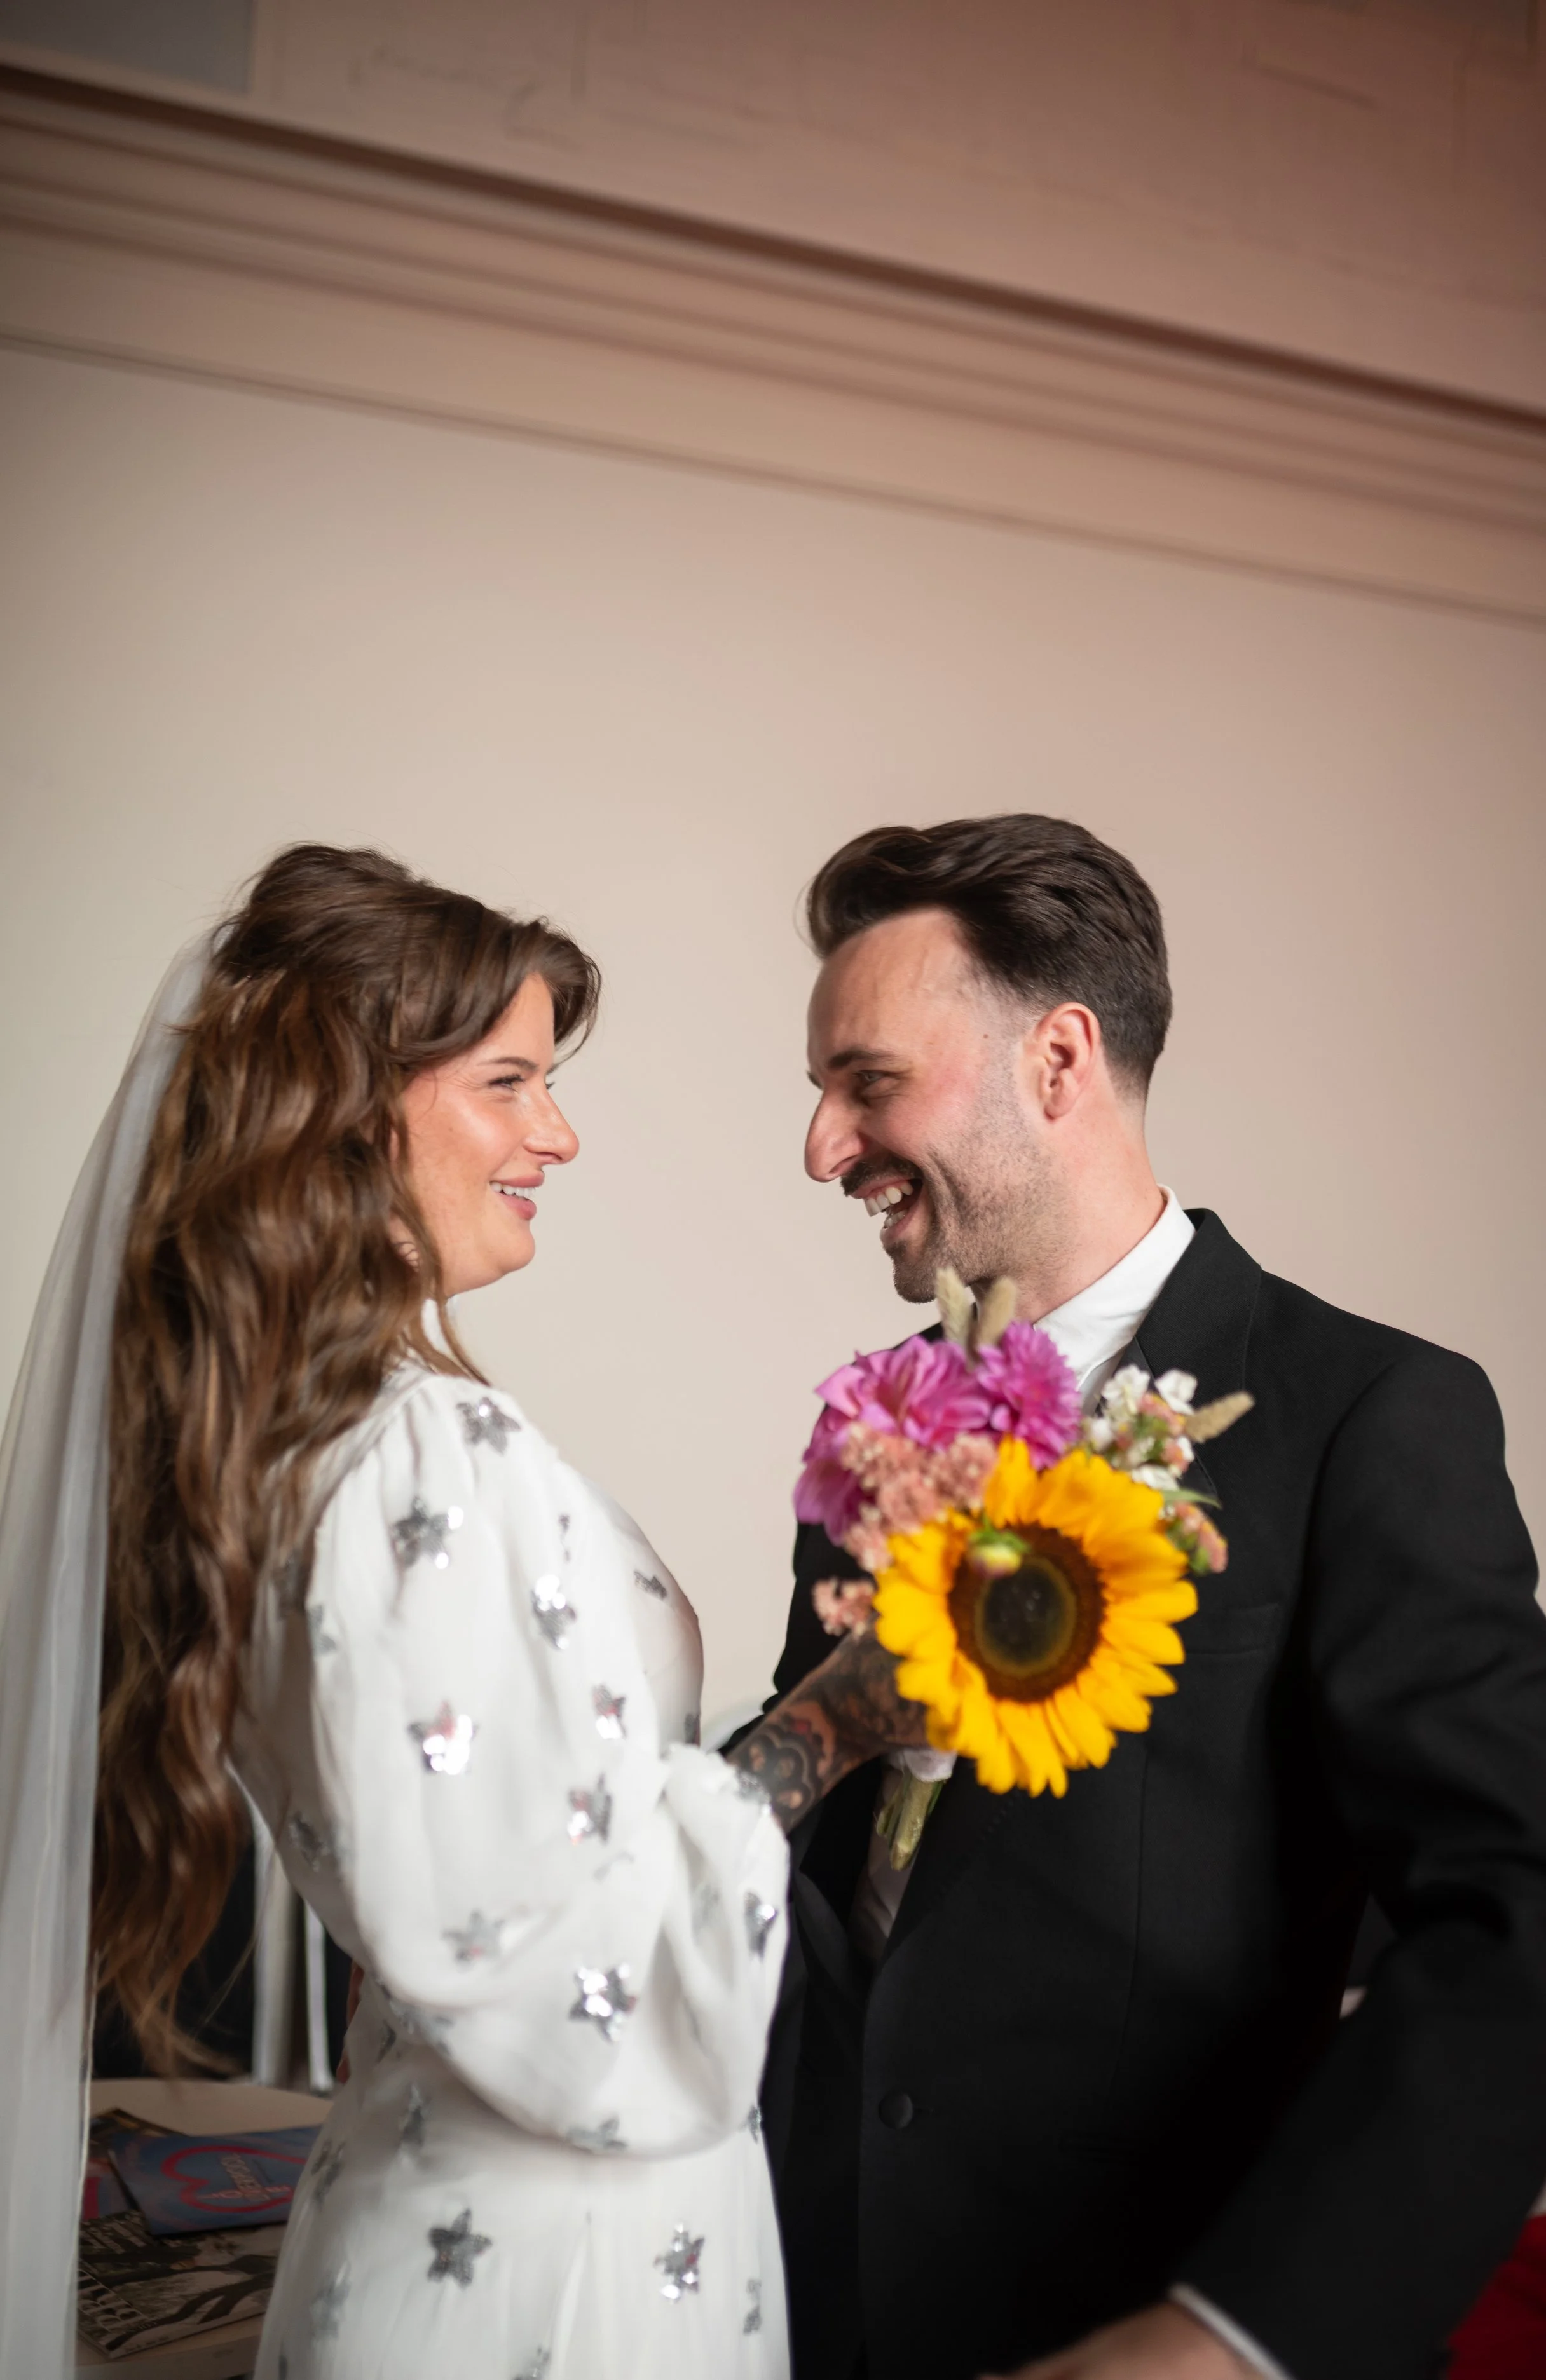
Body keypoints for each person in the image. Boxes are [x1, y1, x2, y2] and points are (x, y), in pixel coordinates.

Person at [0, 841, 925, 2380]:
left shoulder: (282, 1448)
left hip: (439, 2216)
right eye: (507, 1081)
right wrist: (849, 1708)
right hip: (550, 2283)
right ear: (351, 1109)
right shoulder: (422, 1450)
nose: (553, 1133)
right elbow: (583, 1978)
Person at [758, 814, 1546, 2380]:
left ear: (1058, 1061)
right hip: (805, 2312)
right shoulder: (871, 1422)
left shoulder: (1363, 1413)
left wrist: (1230, 2339)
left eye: (863, 1080)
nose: (821, 1145)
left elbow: (1530, 1922)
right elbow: (828, 1857)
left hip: (1137, 2315)